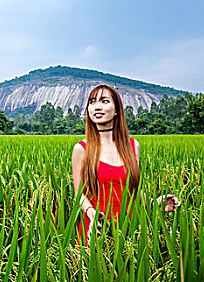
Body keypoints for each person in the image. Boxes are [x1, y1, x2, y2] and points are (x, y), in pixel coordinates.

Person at [71, 85, 180, 245]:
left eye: (104, 101)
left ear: (116, 110)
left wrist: (154, 203)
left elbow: (131, 189)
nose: (97, 107)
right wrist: (92, 213)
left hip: (129, 228)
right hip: (96, 228)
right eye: (92, 102)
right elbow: (79, 195)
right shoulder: (82, 149)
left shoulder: (132, 146)